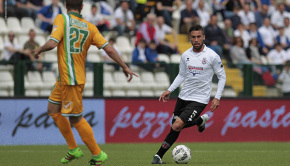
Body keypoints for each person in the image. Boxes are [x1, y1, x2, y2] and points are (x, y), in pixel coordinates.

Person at [32, 0, 137, 165]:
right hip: (66, 78)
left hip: (71, 79)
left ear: (66, 6)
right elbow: (108, 48)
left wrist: (39, 49)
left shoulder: (62, 19)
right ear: (82, 7)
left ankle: (97, 154)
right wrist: (124, 66)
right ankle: (73, 149)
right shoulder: (90, 27)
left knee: (76, 119)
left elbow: (52, 43)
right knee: (52, 110)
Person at [151, 24, 226, 164]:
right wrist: (169, 90)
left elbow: (222, 77)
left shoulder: (212, 56)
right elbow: (181, 75)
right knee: (174, 126)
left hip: (200, 98)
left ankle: (158, 156)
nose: (196, 39)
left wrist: (217, 97)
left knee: (177, 125)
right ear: (190, 38)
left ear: (203, 37)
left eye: (199, 37)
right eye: (193, 37)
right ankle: (199, 121)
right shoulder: (186, 55)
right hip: (183, 96)